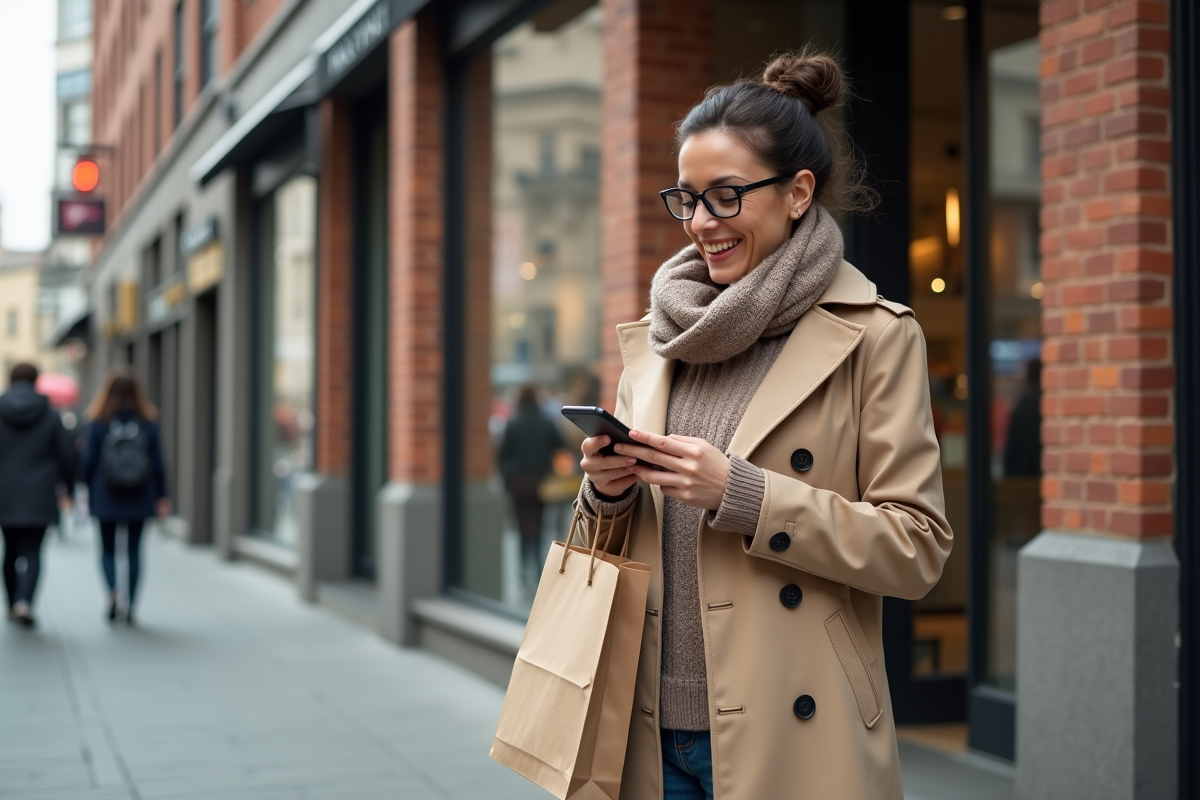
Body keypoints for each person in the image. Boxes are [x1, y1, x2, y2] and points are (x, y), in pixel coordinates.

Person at [575, 50, 952, 799]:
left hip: (793, 728)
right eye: (686, 200)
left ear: (798, 193)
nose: (702, 225)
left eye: (725, 197)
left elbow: (917, 548)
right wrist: (607, 496)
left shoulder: (874, 336)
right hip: (648, 731)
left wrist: (746, 495)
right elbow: (611, 552)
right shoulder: (659, 340)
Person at [81, 366, 169, 625]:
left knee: (107, 550)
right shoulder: (148, 420)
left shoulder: (98, 420)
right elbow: (159, 462)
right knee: (134, 552)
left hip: (105, 493)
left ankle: (112, 594)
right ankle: (129, 605)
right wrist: (162, 495)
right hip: (140, 494)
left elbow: (88, 460)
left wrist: (85, 487)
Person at [0, 363, 77, 628]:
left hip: (5, 493)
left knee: (10, 550)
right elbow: (66, 455)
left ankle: (12, 602)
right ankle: (25, 602)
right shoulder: (49, 414)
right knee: (33, 550)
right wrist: (70, 488)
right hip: (39, 493)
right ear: (36, 382)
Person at [497, 386, 566, 587]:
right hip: (542, 482)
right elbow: (560, 448)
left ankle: (521, 572)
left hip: (518, 483)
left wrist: (506, 481)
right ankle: (536, 570)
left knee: (521, 526)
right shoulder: (546, 422)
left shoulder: (512, 422)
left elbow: (502, 456)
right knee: (537, 523)